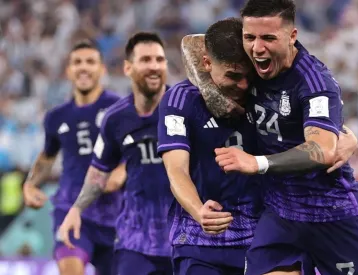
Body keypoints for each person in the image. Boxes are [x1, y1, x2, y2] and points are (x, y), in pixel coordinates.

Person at [185, 1, 358, 274]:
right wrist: (213, 92)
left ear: (292, 36)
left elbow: (322, 149)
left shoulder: (314, 82)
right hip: (280, 216)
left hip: (333, 213)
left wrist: (258, 163)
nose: (257, 48)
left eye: (268, 38)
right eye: (249, 37)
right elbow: (193, 45)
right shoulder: (250, 66)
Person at [57, 32, 173, 275]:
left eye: (159, 60)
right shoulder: (116, 118)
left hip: (183, 239)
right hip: (136, 242)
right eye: (146, 60)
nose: (154, 67)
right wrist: (77, 209)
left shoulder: (185, 107)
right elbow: (99, 171)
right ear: (128, 68)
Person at [158, 18, 267, 275]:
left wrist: (344, 135)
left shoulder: (264, 92)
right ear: (206, 63)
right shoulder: (179, 100)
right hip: (198, 242)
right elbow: (176, 170)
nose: (243, 85)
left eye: (247, 76)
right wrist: (199, 211)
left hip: (260, 239)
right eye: (233, 75)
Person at [22, 40, 125, 275]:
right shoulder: (56, 117)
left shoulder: (119, 108)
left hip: (116, 216)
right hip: (70, 210)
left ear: (102, 69)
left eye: (90, 62)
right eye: (77, 62)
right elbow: (47, 157)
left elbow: (136, 149)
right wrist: (30, 184)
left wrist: (122, 171)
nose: (83, 67)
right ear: (68, 70)